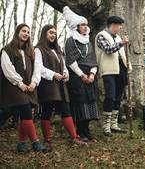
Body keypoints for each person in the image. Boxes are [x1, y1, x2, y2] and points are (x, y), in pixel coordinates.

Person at [34, 24, 85, 148]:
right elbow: (38, 67)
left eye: (55, 33)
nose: (53, 35)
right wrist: (53, 74)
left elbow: (64, 65)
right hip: (47, 85)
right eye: (51, 33)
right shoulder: (38, 49)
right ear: (44, 34)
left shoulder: (58, 50)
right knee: (46, 112)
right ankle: (47, 140)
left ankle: (74, 137)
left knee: (66, 111)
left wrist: (66, 74)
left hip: (61, 86)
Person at [0, 24, 47, 152]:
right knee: (26, 111)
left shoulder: (30, 51)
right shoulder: (7, 50)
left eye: (28, 31)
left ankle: (21, 144)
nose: (26, 33)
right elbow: (8, 69)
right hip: (14, 87)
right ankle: (36, 143)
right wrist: (20, 83)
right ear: (17, 32)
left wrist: (34, 83)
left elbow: (37, 68)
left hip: (29, 87)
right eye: (23, 31)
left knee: (25, 113)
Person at [63, 6, 99, 142]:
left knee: (90, 102)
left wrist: (92, 74)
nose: (85, 27)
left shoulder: (88, 42)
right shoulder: (70, 41)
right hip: (77, 76)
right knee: (80, 103)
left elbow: (93, 60)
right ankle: (80, 131)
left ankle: (87, 129)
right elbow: (71, 61)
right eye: (82, 25)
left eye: (86, 25)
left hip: (90, 76)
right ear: (76, 26)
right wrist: (82, 75)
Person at [95, 15, 129, 136]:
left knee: (118, 97)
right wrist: (121, 43)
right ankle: (106, 126)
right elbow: (108, 50)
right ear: (113, 25)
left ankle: (114, 124)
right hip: (108, 70)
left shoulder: (118, 37)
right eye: (118, 26)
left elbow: (122, 55)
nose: (119, 28)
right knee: (110, 96)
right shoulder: (101, 36)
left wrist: (127, 66)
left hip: (121, 70)